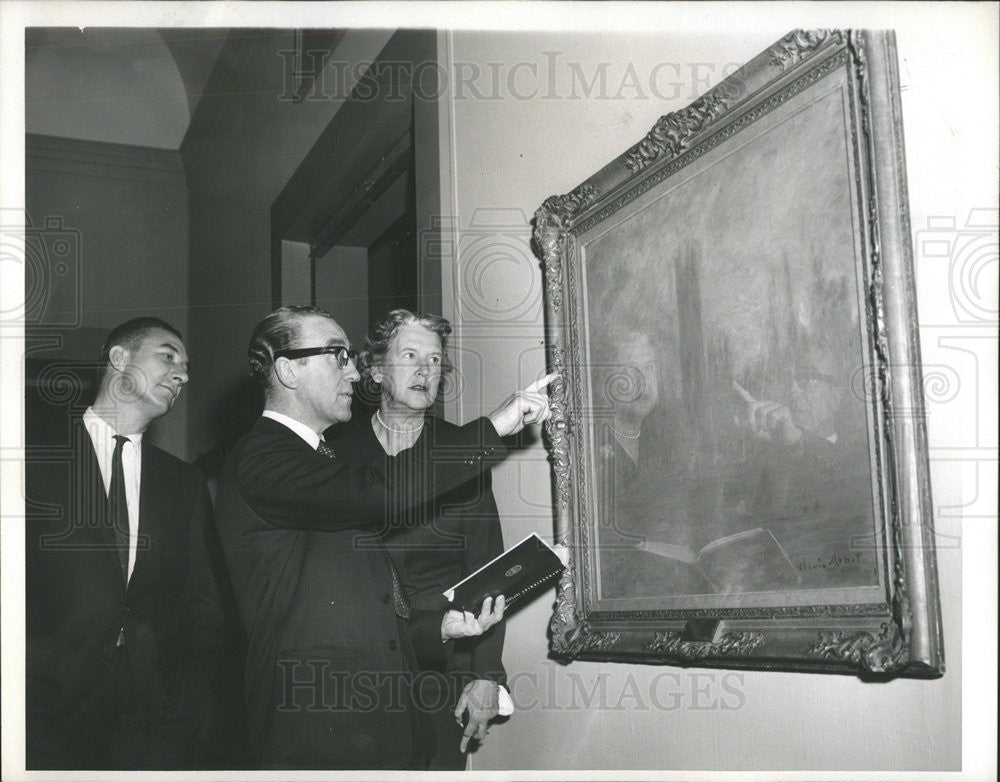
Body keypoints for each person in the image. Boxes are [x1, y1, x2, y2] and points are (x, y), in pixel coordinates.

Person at [213, 305, 553, 770]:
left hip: (382, 713)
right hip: (321, 720)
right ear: (289, 370)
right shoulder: (263, 456)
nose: (352, 372)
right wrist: (496, 425)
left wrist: (438, 629)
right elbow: (379, 491)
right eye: (338, 355)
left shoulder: (319, 457)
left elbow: (359, 599)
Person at [25, 317, 228, 769]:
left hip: (152, 720)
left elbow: (205, 605)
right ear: (119, 359)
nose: (184, 375)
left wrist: (190, 703)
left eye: (186, 366)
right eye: (168, 356)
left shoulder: (184, 483)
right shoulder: (29, 457)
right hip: (42, 714)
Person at [333, 309, 507, 769]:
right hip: (354, 666)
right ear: (375, 369)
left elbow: (488, 571)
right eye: (409, 355)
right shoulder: (334, 452)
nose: (425, 370)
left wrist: (486, 676)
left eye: (434, 360)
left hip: (439, 669)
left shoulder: (462, 451)